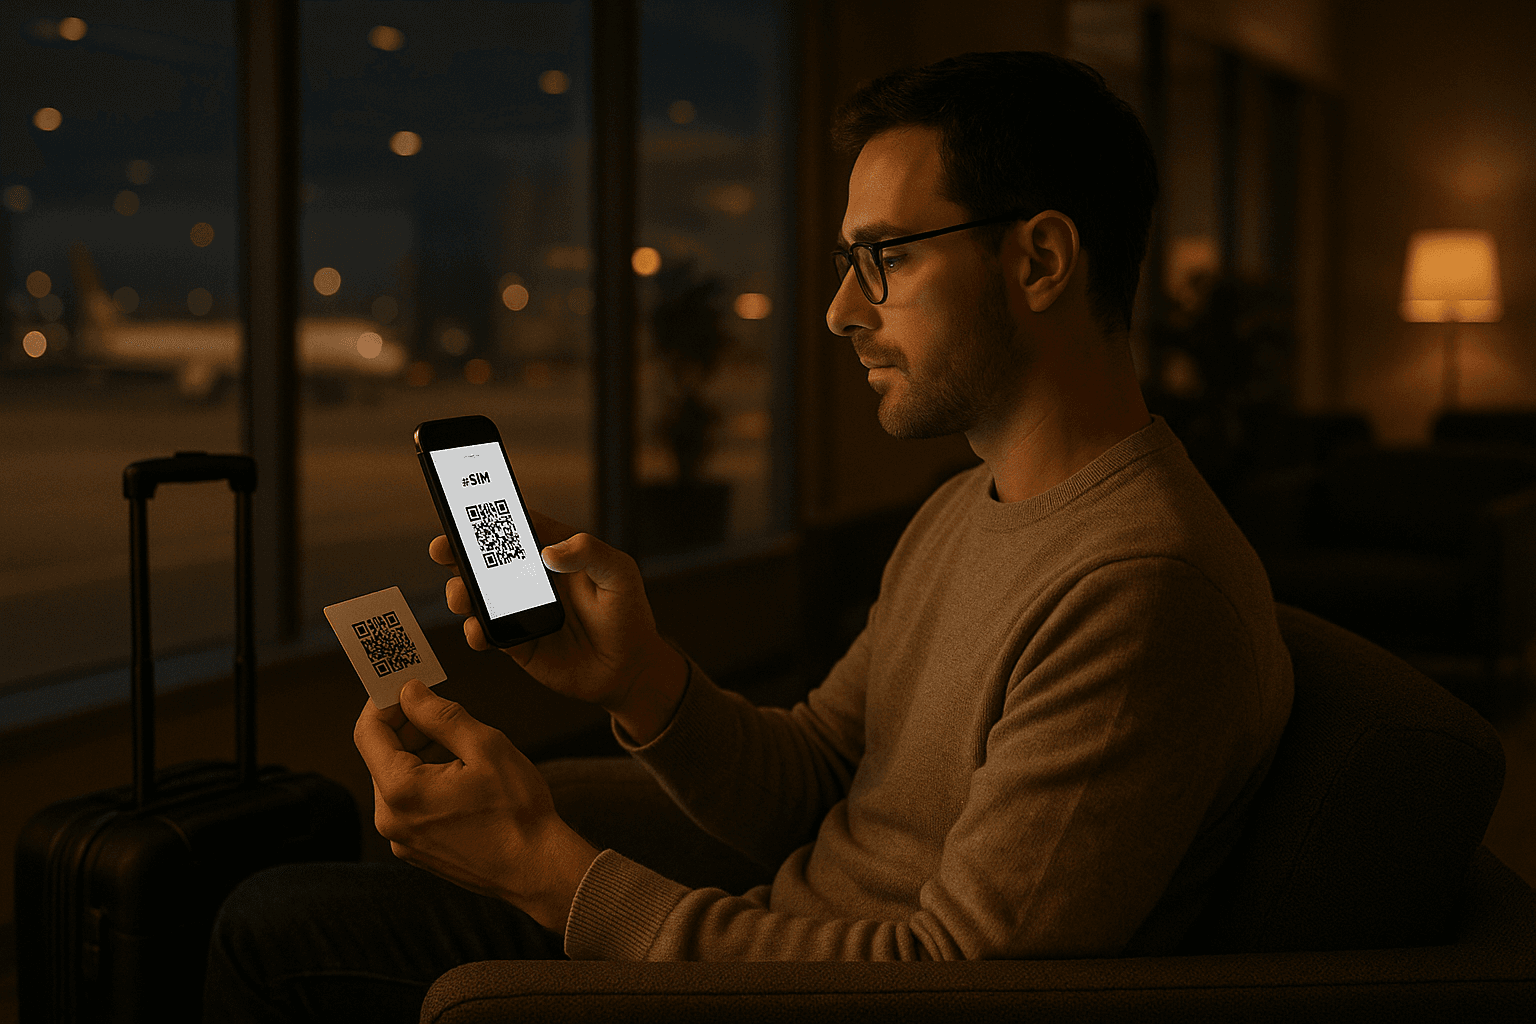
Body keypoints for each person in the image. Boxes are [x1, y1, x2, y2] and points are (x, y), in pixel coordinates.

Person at [205, 50, 1291, 1020]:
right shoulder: (969, 504)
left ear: (1042, 261)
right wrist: (643, 682)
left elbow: (961, 978)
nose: (837, 311)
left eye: (886, 259)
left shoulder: (1141, 588)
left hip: (786, 989)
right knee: (300, 891)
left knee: (271, 926)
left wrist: (548, 872)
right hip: (767, 933)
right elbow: (823, 778)